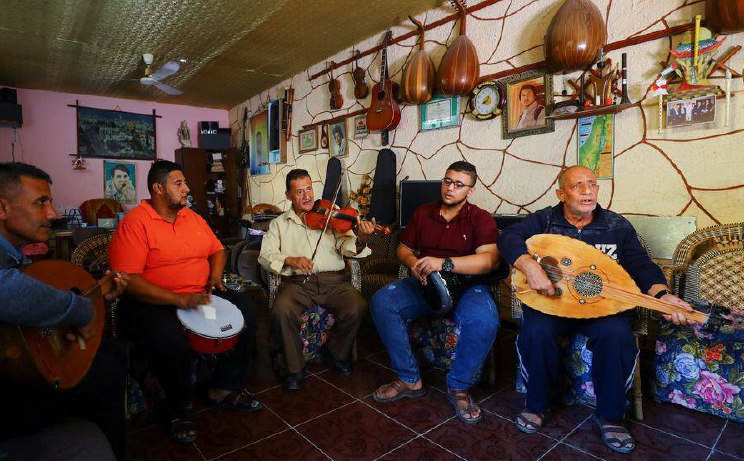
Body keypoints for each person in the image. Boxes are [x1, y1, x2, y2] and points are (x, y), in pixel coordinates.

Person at [497, 165, 694, 454]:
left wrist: (663, 295)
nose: (588, 190)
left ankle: (611, 416)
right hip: (553, 304)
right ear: (561, 193)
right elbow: (508, 237)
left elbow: (642, 266)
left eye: (592, 184)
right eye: (578, 186)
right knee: (536, 331)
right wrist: (530, 265)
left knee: (617, 335)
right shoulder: (544, 220)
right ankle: (538, 405)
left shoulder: (616, 225)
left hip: (602, 306)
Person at [0, 162, 128, 459]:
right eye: (41, 202)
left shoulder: (2, 250)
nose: (53, 214)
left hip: (2, 376)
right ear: (0, 208)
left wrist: (92, 298)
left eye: (50, 202)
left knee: (111, 352)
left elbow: (17, 309)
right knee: (106, 372)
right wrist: (79, 310)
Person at [108, 160, 260, 445]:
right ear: (158, 189)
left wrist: (214, 277)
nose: (187, 189)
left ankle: (224, 387)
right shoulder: (135, 223)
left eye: (185, 183)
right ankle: (179, 407)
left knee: (247, 311)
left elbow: (217, 250)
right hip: (150, 301)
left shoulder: (193, 218)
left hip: (198, 292)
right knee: (169, 336)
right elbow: (128, 279)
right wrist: (178, 299)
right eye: (178, 183)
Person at [370, 161, 501, 424]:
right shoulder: (422, 213)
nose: (450, 188)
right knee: (382, 301)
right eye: (447, 181)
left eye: (459, 185)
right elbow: (403, 250)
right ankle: (409, 379)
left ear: (470, 190)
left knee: (485, 320)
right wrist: (414, 265)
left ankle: (459, 386)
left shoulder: (481, 217)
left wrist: (445, 263)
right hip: (426, 283)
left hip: (468, 286)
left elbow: (489, 261)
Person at [258, 168, 375, 390]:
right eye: (300, 192)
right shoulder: (279, 224)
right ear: (288, 195)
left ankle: (335, 354)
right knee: (282, 309)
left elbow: (348, 246)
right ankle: (295, 369)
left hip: (334, 282)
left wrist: (361, 238)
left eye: (309, 189)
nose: (307, 196)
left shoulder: (331, 215)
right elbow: (265, 256)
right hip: (299, 284)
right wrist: (290, 260)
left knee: (357, 306)